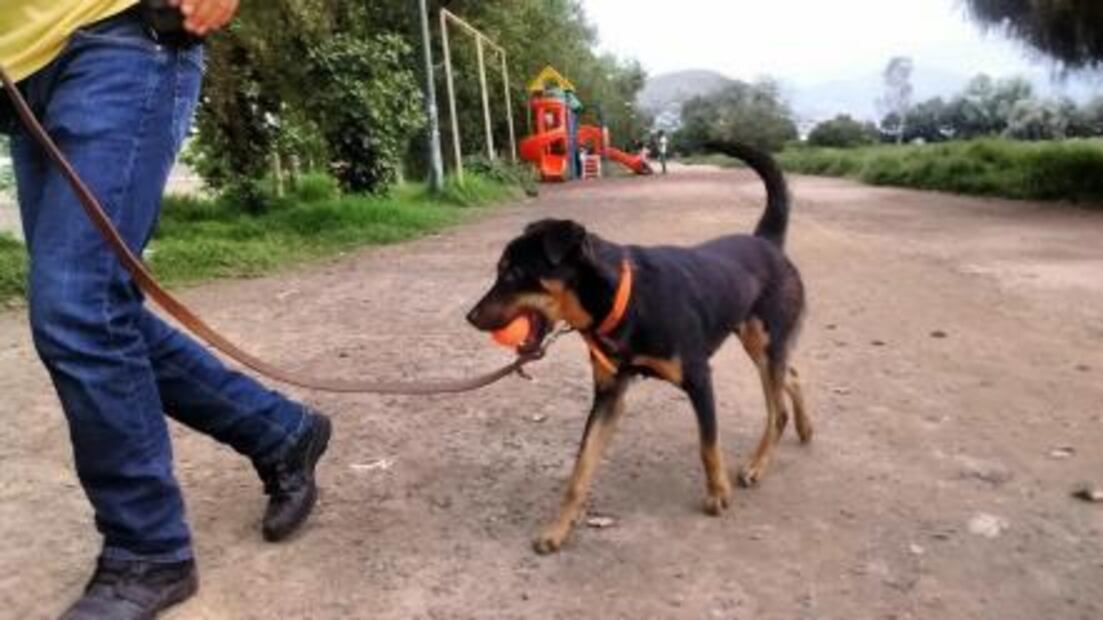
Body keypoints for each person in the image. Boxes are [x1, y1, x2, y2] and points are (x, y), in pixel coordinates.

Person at [1, 1, 333, 618]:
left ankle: (147, 550)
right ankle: (283, 432)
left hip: (118, 36)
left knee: (78, 309)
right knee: (93, 312)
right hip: (23, 74)